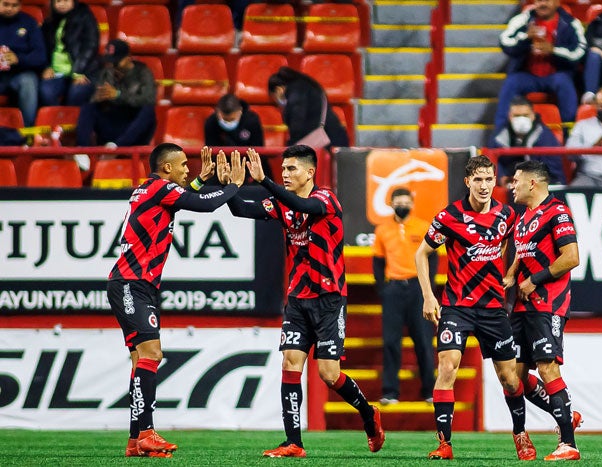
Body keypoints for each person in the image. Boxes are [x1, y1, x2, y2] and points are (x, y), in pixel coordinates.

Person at [224, 145, 384, 458]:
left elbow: (301, 205)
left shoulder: (325, 198)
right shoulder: (282, 203)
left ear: (310, 172)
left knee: (329, 374)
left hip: (329, 299)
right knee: (290, 363)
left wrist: (264, 182)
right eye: (283, 170)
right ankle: (294, 443)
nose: (285, 175)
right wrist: (231, 186)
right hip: (298, 298)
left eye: (292, 169)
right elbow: (241, 210)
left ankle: (368, 414)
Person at [107, 144, 246, 458]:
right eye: (184, 165)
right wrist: (233, 186)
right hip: (132, 283)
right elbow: (202, 205)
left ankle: (135, 440)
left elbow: (184, 197)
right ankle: (145, 433)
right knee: (152, 353)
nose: (189, 169)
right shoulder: (159, 187)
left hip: (136, 284)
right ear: (166, 167)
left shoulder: (151, 189)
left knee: (140, 359)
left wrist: (200, 181)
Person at [416, 156, 533, 461]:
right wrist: (429, 296)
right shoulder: (450, 215)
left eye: (489, 179)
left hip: (493, 308)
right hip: (456, 306)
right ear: (468, 182)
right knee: (447, 367)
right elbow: (422, 253)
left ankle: (520, 434)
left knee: (509, 378)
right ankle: (444, 443)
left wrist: (509, 275)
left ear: (496, 181)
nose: (484, 186)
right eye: (478, 180)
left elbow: (515, 246)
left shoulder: (507, 215)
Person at [504, 159, 582, 461]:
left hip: (548, 303)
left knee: (548, 367)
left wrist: (534, 280)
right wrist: (512, 274)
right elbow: (523, 253)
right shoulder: (524, 218)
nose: (512, 185)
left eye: (516, 180)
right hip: (523, 306)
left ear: (532, 183)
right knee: (516, 378)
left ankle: (569, 444)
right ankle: (566, 414)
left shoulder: (557, 212)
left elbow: (571, 256)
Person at [372, 187, 436, 405]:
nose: (403, 204)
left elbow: (432, 259)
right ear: (390, 203)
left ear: (412, 203)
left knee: (424, 341)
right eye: (398, 200)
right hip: (394, 290)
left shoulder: (423, 226)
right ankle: (390, 392)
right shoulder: (382, 229)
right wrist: (384, 289)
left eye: (406, 200)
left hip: (418, 290)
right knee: (391, 342)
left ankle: (429, 390)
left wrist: (428, 288)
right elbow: (378, 263)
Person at [495, 0, 586, 130]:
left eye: (547, 1)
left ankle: (568, 134)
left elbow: (579, 52)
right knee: (511, 82)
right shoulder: (523, 19)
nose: (542, 4)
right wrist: (525, 37)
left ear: (557, 3)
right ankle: (500, 136)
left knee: (564, 83)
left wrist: (553, 50)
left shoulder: (571, 22)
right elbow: (505, 43)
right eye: (538, 0)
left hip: (556, 75)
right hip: (528, 76)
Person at [76, 39, 156, 147]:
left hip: (132, 126)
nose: (112, 65)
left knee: (148, 110)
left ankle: (117, 147)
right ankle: (82, 150)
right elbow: (96, 98)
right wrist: (97, 98)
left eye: (116, 61)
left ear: (128, 58)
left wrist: (118, 94)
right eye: (109, 61)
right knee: (88, 107)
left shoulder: (142, 72)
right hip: (112, 121)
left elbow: (148, 99)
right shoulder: (107, 72)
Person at [489, 95, 567, 186]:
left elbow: (553, 171)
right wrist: (501, 177)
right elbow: (492, 161)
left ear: (533, 115)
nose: (521, 120)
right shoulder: (500, 135)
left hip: (539, 184)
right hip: (510, 184)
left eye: (525, 115)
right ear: (509, 116)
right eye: (517, 116)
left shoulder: (545, 137)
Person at [268, 66, 349, 148]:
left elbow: (297, 120)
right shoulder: (307, 86)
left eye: (274, 97)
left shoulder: (296, 91)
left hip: (326, 140)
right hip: (332, 136)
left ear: (278, 90)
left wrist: (292, 144)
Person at [40, 0, 99, 106]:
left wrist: (78, 72)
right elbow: (42, 48)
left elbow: (90, 46)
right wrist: (46, 67)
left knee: (76, 93)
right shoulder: (49, 22)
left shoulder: (86, 17)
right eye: (58, 1)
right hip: (56, 73)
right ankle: (56, 120)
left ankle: (72, 122)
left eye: (66, 0)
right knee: (46, 91)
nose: (62, 4)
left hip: (82, 71)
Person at [0, 0, 46, 126]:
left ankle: (27, 133)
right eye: (6, 4)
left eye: (14, 5)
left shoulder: (29, 23)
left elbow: (40, 56)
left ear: (20, 6)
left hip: (20, 74)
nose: (10, 8)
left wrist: (19, 59)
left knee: (29, 81)